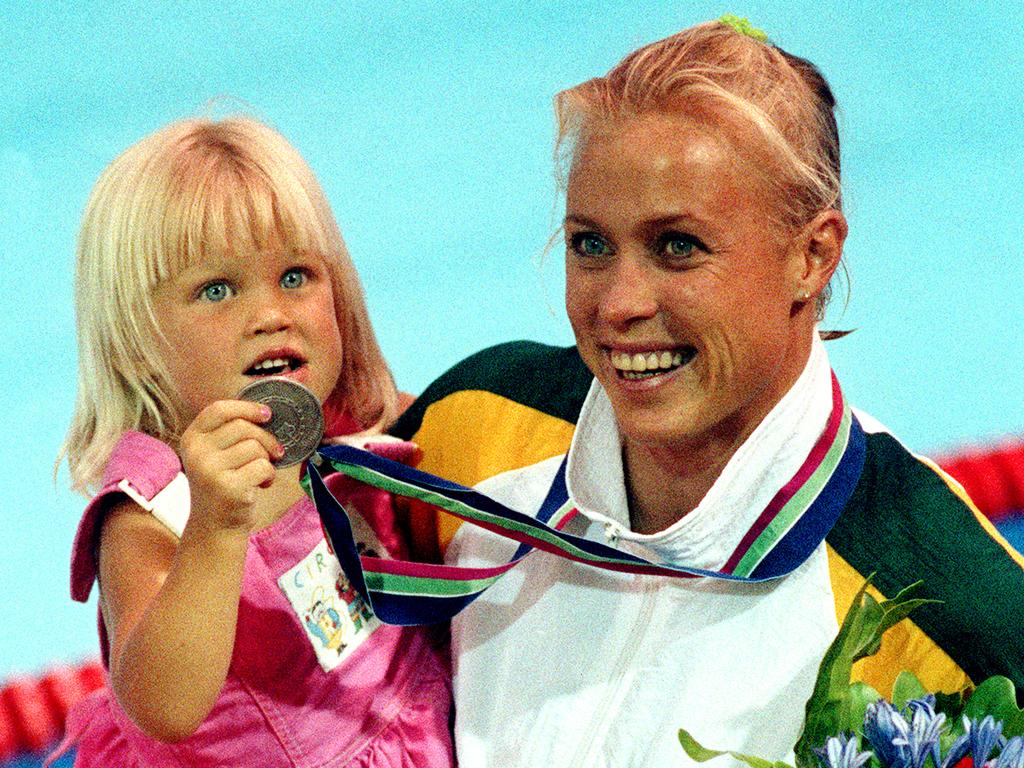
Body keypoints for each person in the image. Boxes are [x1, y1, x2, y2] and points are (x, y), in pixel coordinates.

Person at [386, 17, 1024, 767]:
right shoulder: (477, 425)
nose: (618, 303)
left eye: (677, 246)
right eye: (590, 243)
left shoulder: (954, 625)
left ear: (812, 256)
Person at [52, 117, 453, 767]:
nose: (271, 314)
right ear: (136, 346)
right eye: (217, 289)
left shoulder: (363, 426)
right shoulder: (154, 509)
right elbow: (162, 708)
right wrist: (215, 527)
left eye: (295, 276)